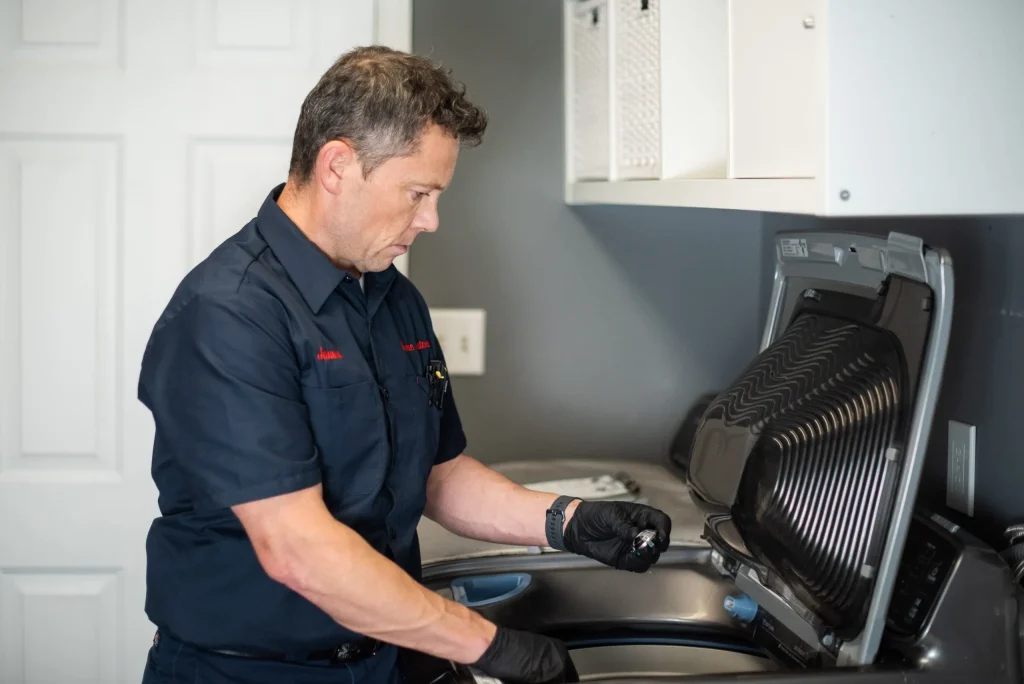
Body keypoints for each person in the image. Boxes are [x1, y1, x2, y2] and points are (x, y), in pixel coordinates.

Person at [137, 45, 672, 684]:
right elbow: (296, 549)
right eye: (418, 193)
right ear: (337, 165)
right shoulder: (227, 313)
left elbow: (436, 474)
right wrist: (490, 645)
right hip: (251, 672)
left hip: (385, 658)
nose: (432, 220)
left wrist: (569, 520)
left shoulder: (390, 295)